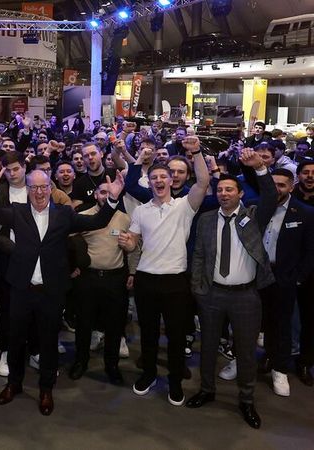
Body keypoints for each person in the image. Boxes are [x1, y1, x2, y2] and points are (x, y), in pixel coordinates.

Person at [0, 156, 124, 416]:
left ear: (51, 188)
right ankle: (13, 384)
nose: (39, 192)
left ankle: (46, 389)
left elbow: (97, 222)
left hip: (50, 292)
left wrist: (112, 199)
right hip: (21, 290)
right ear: (27, 190)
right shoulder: (18, 212)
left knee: (48, 342)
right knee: (15, 341)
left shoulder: (64, 214)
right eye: (34, 187)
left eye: (43, 187)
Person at [186, 149, 276, 428]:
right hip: (212, 293)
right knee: (209, 345)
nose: (224, 193)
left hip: (246, 296)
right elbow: (199, 255)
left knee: (247, 351)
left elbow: (271, 197)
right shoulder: (207, 219)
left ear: (240, 194)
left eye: (230, 190)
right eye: (221, 189)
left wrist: (260, 168)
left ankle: (247, 400)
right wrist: (198, 289)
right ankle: (207, 390)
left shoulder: (252, 217)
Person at [118, 136, 210, 407]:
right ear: (151, 182)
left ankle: (174, 382)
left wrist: (196, 152)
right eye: (154, 177)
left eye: (164, 177)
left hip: (175, 281)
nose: (158, 181)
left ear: (172, 181)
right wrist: (128, 242)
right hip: (146, 280)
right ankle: (148, 374)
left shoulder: (184, 206)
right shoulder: (142, 211)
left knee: (176, 334)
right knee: (147, 331)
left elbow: (203, 182)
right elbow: (134, 241)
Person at [256, 167, 314, 397]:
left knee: (283, 324)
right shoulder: (256, 206)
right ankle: (266, 358)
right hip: (258, 274)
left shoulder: (305, 212)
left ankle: (280, 369)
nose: (277, 189)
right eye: (273, 184)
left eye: (281, 185)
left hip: (285, 277)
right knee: (261, 322)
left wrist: (299, 277)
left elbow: (310, 250)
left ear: (291, 187)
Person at [70, 181, 134, 384]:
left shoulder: (124, 218)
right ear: (95, 194)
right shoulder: (84, 216)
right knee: (83, 323)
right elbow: (68, 243)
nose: (106, 195)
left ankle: (112, 365)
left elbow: (134, 246)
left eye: (110, 192)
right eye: (102, 192)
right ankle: (81, 362)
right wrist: (73, 265)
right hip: (87, 278)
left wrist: (131, 250)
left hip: (115, 279)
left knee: (115, 326)